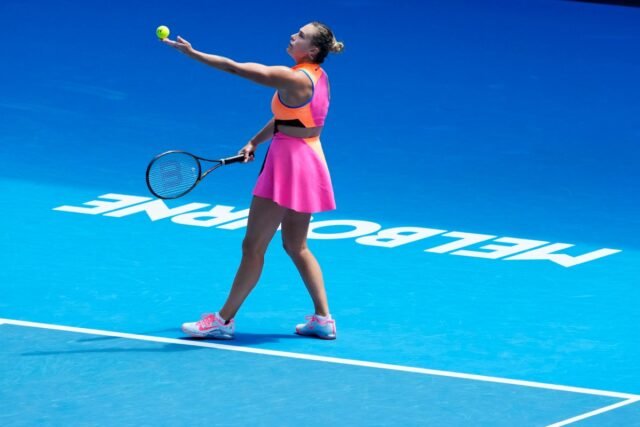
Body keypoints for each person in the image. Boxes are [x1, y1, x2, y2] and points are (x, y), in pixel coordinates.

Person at [162, 22, 344, 340]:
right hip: (310, 160)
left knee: (253, 246)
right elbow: (289, 118)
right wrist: (255, 141)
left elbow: (235, 68)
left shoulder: (291, 77)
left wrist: (194, 54)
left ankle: (222, 321)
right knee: (296, 245)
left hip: (287, 166)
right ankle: (323, 319)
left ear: (313, 49)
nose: (293, 36)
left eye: (301, 36)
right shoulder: (318, 76)